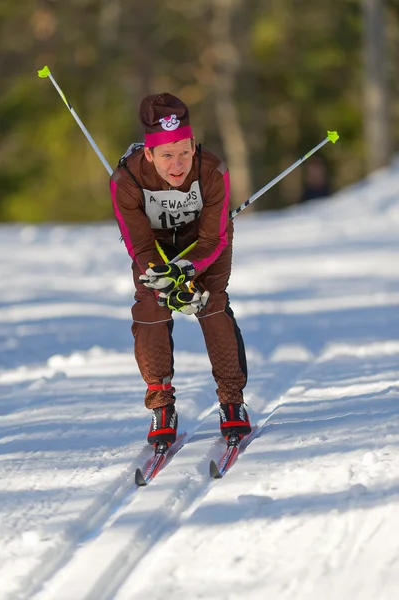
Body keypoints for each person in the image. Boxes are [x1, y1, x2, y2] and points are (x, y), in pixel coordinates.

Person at [110, 92, 250, 447]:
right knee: (150, 309)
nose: (178, 165)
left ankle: (232, 401)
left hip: (203, 247)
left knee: (211, 304)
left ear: (193, 145)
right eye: (167, 156)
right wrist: (164, 277)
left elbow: (214, 237)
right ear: (149, 153)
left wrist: (186, 272)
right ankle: (161, 405)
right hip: (155, 248)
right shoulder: (125, 181)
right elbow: (139, 245)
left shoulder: (212, 171)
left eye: (184, 152)